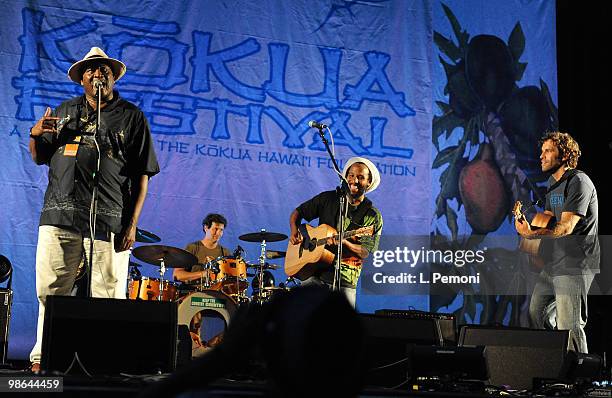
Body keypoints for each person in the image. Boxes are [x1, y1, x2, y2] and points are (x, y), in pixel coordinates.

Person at [28, 47, 159, 371]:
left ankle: (104, 360)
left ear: (113, 77)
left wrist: (132, 226)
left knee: (109, 294)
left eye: (104, 70)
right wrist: (35, 134)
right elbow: (38, 155)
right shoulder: (64, 111)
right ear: (82, 79)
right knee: (51, 291)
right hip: (60, 216)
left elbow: (142, 177)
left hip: (109, 219)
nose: (98, 74)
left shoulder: (132, 117)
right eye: (91, 70)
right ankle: (43, 359)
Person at [515, 132, 599, 353]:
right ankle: (555, 359)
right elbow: (549, 219)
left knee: (569, 325)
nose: (541, 156)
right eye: (542, 151)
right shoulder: (553, 183)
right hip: (555, 261)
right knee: (536, 313)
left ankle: (579, 378)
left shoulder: (578, 182)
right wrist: (528, 227)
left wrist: (532, 234)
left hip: (575, 262)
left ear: (565, 155)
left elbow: (565, 228)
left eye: (548, 151)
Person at [289, 157, 383, 307]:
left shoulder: (372, 215)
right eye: (351, 175)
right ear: (345, 178)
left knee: (340, 329)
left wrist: (345, 243)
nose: (355, 180)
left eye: (361, 177)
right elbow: (297, 213)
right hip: (313, 273)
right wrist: (294, 230)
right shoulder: (328, 199)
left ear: (369, 182)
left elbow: (365, 251)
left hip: (345, 280)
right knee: (304, 323)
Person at [173, 213, 231, 285]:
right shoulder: (192, 247)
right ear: (206, 228)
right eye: (215, 229)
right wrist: (203, 274)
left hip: (216, 294)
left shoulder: (225, 253)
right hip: (192, 292)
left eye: (221, 230)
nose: (218, 233)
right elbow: (177, 275)